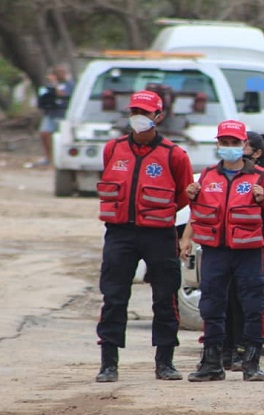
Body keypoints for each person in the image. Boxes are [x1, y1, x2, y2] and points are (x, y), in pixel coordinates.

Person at [95, 90, 194, 383]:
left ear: (158, 117)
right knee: (113, 297)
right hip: (119, 234)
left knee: (165, 298)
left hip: (159, 235)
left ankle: (165, 362)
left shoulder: (174, 154)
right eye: (135, 112)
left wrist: (157, 213)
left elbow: (184, 194)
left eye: (146, 113)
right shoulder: (113, 149)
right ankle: (108, 364)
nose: (139, 117)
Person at [182, 120, 264, 382]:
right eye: (224, 143)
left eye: (234, 143)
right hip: (215, 251)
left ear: (243, 145)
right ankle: (211, 362)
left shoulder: (261, 176)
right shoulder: (207, 176)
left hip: (249, 251)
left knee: (252, 305)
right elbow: (198, 212)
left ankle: (251, 363)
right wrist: (191, 196)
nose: (229, 147)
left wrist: (263, 199)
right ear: (218, 144)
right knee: (212, 304)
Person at [222, 131, 264, 372]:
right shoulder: (221, 176)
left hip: (255, 247)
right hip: (226, 248)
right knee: (225, 301)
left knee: (245, 301)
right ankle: (226, 350)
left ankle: (243, 350)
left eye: (241, 144)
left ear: (256, 153)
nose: (234, 148)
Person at [37, 64, 75, 166]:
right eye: (57, 72)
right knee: (44, 133)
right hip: (51, 112)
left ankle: (60, 157)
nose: (59, 74)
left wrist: (55, 84)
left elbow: (63, 94)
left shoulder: (70, 85)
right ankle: (48, 157)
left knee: (62, 138)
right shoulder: (50, 86)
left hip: (63, 113)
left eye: (62, 72)